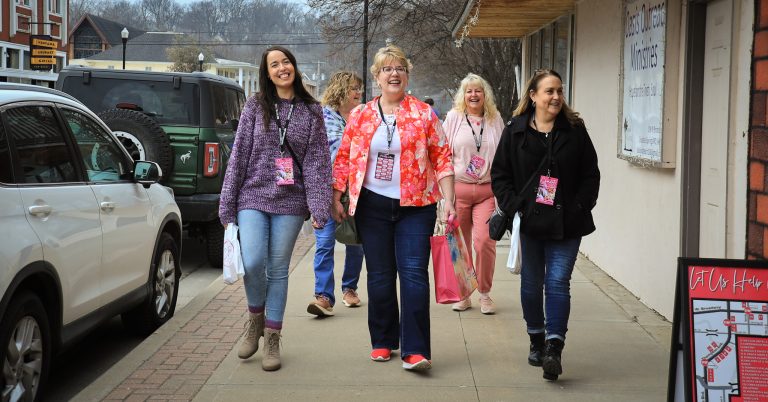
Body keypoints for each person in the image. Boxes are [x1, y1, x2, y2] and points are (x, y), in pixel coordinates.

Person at [331, 45, 455, 371]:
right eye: (387, 69)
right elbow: (343, 158)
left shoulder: (423, 113)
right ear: (377, 76)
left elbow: (442, 157)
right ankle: (383, 341)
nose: (394, 73)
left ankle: (416, 350)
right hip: (372, 204)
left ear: (407, 75)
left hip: (417, 205)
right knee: (381, 276)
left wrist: (450, 201)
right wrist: (335, 196)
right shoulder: (360, 115)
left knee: (414, 275)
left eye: (400, 68)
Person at [219, 46, 331, 372]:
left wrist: (319, 206)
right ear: (267, 74)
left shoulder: (312, 111)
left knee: (278, 270)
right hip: (252, 196)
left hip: (291, 201)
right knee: (253, 262)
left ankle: (271, 336)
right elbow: (238, 154)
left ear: (294, 67)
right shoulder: (256, 106)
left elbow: (317, 162)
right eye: (274, 64)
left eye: (286, 62)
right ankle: (255, 318)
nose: (282, 68)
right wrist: (227, 202)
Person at [491, 69, 600, 381]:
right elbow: (500, 175)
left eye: (559, 91)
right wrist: (515, 206)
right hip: (530, 223)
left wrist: (580, 206)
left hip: (567, 222)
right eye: (549, 91)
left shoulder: (575, 130)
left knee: (557, 283)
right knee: (531, 283)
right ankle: (536, 338)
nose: (555, 97)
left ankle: (554, 346)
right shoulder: (515, 130)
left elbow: (591, 174)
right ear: (533, 96)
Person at [443, 73, 505, 314]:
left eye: (478, 90)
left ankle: (485, 293)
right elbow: (443, 154)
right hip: (458, 188)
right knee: (459, 243)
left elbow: (503, 155)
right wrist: (445, 195)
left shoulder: (495, 118)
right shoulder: (454, 118)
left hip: (487, 191)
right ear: (463, 95)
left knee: (484, 241)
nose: (473, 95)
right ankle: (463, 292)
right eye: (469, 91)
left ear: (485, 94)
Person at [307, 71, 365, 317]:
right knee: (324, 243)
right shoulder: (321, 118)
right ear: (341, 89)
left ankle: (349, 288)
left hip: (355, 190)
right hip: (325, 190)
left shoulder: (363, 118)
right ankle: (323, 296)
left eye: (359, 89)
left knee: (355, 242)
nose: (358, 93)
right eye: (354, 88)